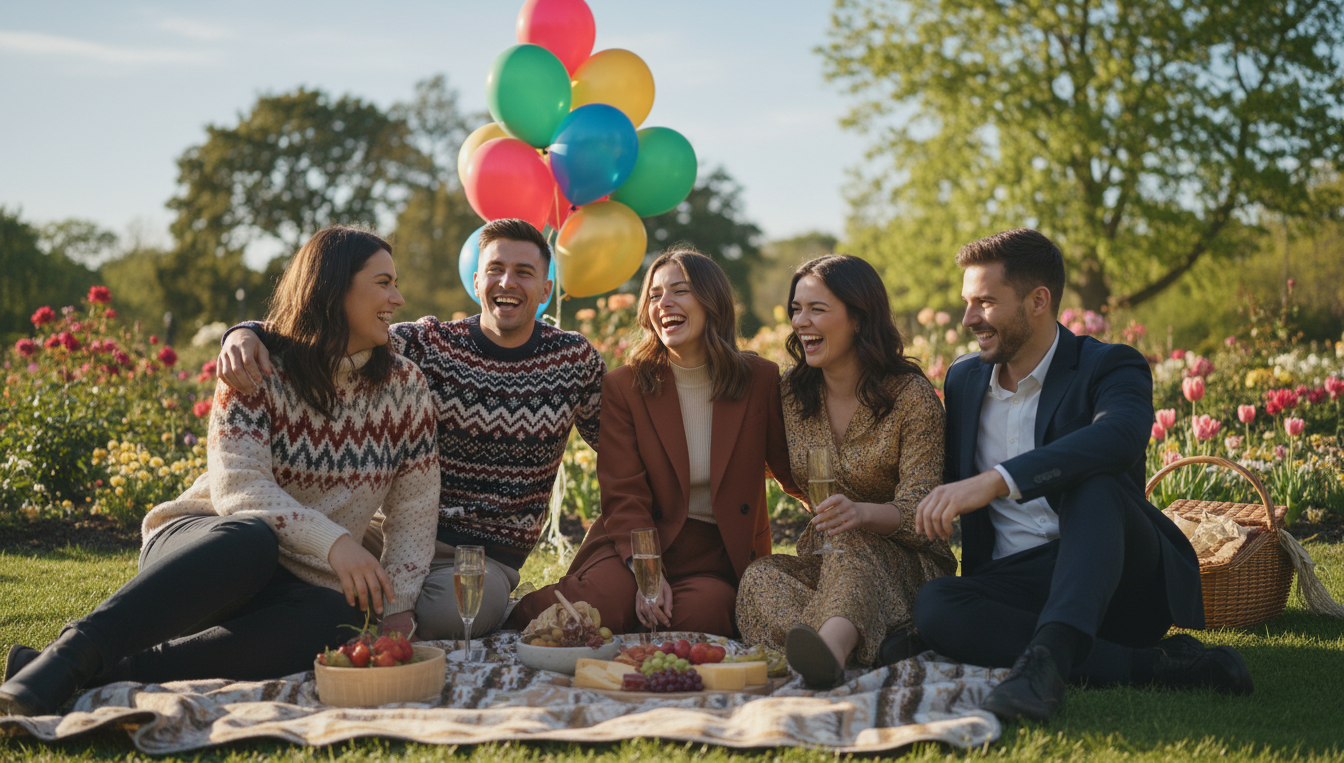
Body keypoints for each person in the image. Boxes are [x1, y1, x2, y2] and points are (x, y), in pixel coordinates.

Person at [0, 227, 439, 717]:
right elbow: (239, 488)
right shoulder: (254, 367)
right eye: (384, 283)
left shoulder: (406, 387)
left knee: (342, 618)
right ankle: (71, 653)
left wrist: (397, 605)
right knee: (251, 539)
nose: (398, 298)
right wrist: (335, 542)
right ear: (335, 289)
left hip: (296, 579)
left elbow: (414, 510)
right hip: (207, 548)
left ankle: (101, 673)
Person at [911, 228, 1252, 722]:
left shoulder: (1109, 365)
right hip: (1020, 582)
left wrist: (996, 480)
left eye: (985, 302)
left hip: (1117, 580)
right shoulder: (964, 379)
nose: (968, 319)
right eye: (967, 302)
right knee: (936, 606)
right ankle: (1147, 667)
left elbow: (1120, 436)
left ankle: (1041, 670)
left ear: (1038, 300)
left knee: (1095, 480)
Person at [215, 219, 605, 642]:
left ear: (546, 290)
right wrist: (245, 332)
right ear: (476, 281)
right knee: (306, 559)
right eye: (494, 269)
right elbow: (331, 327)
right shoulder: (427, 343)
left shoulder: (572, 360)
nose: (506, 282)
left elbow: (618, 437)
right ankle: (344, 602)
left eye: (524, 272)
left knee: (452, 616)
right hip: (386, 533)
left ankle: (357, 606)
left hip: (479, 556)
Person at [506, 247, 801, 636]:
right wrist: (648, 570)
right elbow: (623, 491)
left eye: (679, 291)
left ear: (712, 301)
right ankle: (510, 611)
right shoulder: (625, 386)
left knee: (707, 616)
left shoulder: (759, 379)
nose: (664, 303)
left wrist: (846, 510)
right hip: (636, 542)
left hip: (713, 554)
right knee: (598, 612)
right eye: (654, 294)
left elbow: (789, 467)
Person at [734, 255, 957, 689]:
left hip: (906, 563)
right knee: (760, 578)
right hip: (824, 562)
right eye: (796, 309)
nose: (801, 321)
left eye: (817, 309)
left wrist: (863, 514)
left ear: (858, 317)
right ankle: (884, 641)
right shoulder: (792, 395)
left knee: (854, 546)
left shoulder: (911, 398)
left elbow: (924, 515)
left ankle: (830, 653)